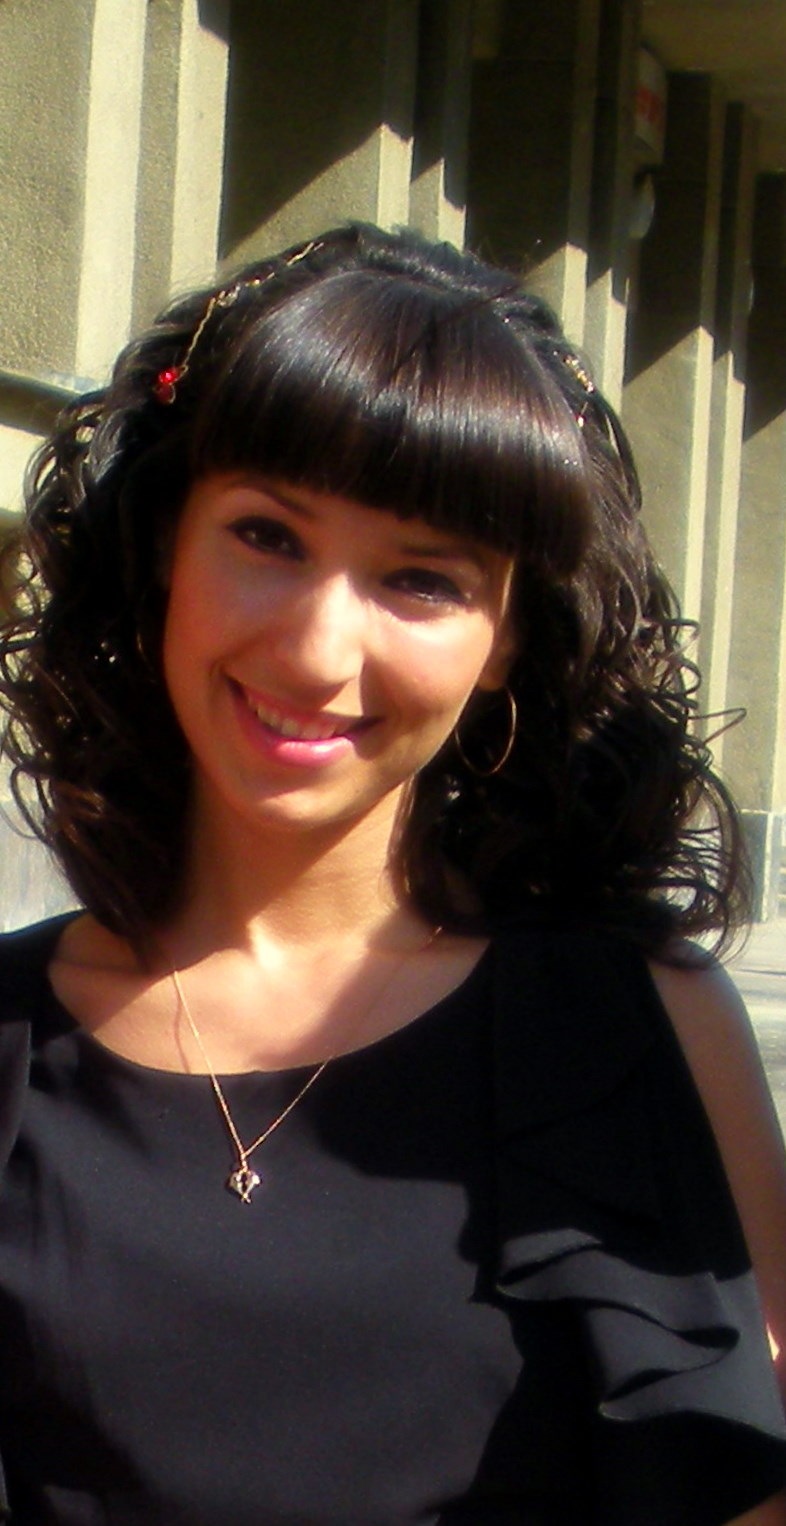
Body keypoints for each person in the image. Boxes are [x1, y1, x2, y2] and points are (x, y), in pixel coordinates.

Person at [0, 222, 784, 1526]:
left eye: (420, 578)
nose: (317, 649)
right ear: (164, 549)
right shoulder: (11, 1039)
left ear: (507, 635)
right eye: (267, 534)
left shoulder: (645, 1029)